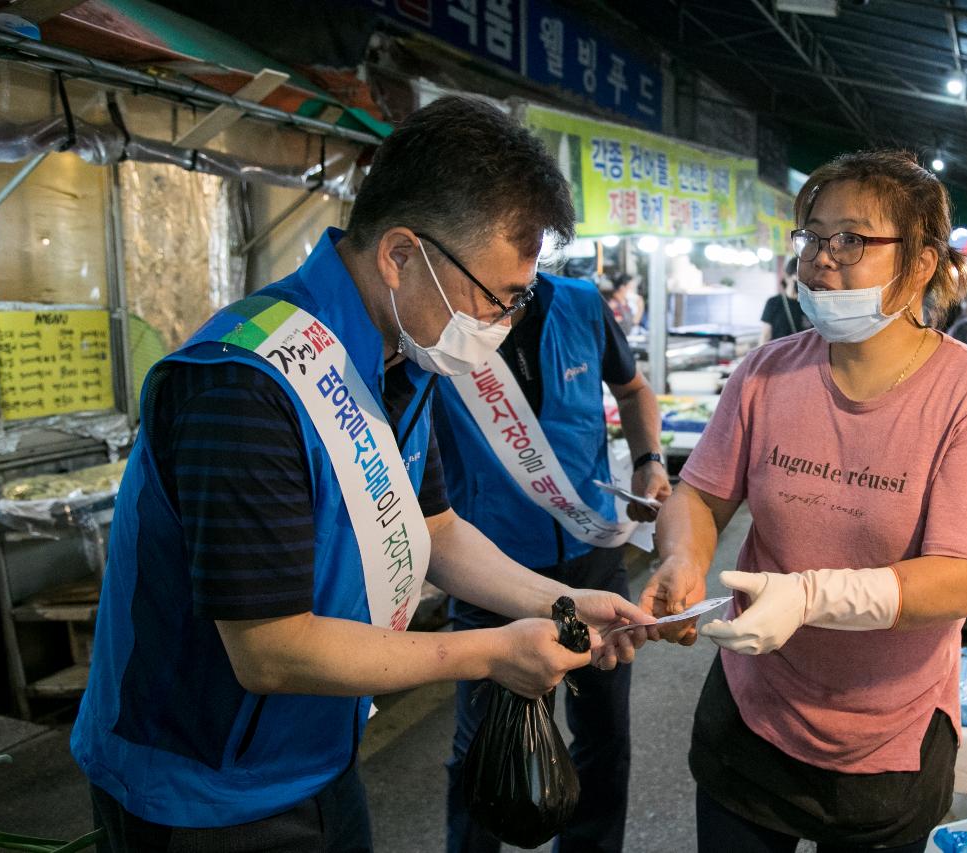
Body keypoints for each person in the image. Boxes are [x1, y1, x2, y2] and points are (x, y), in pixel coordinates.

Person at [71, 96, 654, 853]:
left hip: (318, 756)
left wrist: (565, 599)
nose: (504, 322)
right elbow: (270, 648)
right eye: (497, 297)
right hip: (199, 792)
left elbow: (436, 530)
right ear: (401, 255)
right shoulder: (243, 385)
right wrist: (493, 651)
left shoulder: (398, 359)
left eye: (521, 299)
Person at [640, 150, 967, 852]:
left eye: (851, 239)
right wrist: (681, 559)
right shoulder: (765, 373)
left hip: (887, 736)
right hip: (752, 713)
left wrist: (812, 595)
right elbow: (701, 494)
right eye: (814, 237)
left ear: (919, 263)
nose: (822, 258)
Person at [434, 265, 671, 853]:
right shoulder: (443, 315)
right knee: (483, 740)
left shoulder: (583, 303)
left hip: (592, 556)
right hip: (489, 569)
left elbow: (633, 388)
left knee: (603, 736)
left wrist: (650, 459)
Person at [760, 257, 811, 342]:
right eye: (797, 277)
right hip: (778, 353)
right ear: (787, 277)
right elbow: (765, 335)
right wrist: (761, 354)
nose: (800, 283)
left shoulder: (810, 305)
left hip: (803, 354)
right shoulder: (774, 302)